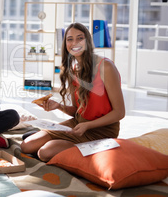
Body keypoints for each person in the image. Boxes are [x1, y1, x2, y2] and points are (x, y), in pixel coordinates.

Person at [20, 22, 125, 162]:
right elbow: (76, 111)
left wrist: (88, 125)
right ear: (66, 44)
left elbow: (119, 112)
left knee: (45, 152)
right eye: (70, 39)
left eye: (80, 38)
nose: (74, 42)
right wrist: (58, 106)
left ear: (87, 40)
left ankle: (88, 149)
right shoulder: (73, 71)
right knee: (27, 146)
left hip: (101, 131)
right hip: (78, 124)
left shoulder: (105, 67)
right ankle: (62, 143)